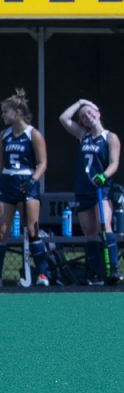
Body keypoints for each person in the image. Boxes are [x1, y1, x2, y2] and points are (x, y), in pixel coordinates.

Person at [59, 99, 121, 286]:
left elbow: (114, 163)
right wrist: (80, 103)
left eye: (91, 112)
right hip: (84, 189)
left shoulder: (110, 137)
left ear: (98, 112)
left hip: (101, 190)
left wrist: (104, 176)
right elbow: (63, 118)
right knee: (90, 233)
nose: (88, 116)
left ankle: (113, 270)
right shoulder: (83, 135)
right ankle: (95, 273)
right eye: (84, 115)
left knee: (104, 227)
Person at [1, 89, 47, 284]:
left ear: (17, 112)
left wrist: (33, 180)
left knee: (32, 230)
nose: (3, 116)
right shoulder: (4, 135)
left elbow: (42, 162)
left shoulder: (33, 134)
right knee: (2, 231)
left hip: (27, 183)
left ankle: (43, 274)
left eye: (5, 112)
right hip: (8, 183)